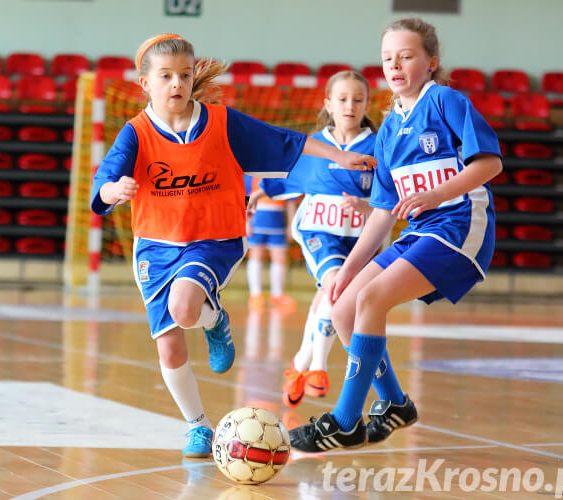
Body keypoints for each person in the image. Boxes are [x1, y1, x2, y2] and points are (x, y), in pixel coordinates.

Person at [90, 33, 376, 458]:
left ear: (192, 79)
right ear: (145, 83)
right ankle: (198, 425)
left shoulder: (222, 122)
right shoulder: (136, 133)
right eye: (165, 76)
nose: (177, 83)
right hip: (154, 245)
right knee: (169, 344)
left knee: (184, 307)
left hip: (213, 238)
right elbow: (103, 182)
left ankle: (214, 319)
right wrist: (114, 190)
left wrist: (338, 156)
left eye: (184, 75)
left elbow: (286, 142)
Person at [289, 18, 503, 452]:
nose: (395, 65)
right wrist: (346, 271)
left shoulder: (445, 101)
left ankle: (345, 423)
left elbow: (490, 164)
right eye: (388, 58)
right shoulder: (388, 129)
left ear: (430, 63)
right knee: (344, 306)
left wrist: (435, 193)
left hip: (460, 223)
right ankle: (395, 404)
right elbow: (383, 213)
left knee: (372, 300)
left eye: (406, 56)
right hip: (422, 230)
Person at [247, 71, 376, 409]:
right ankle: (318, 368)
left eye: (358, 99)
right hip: (318, 230)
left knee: (330, 297)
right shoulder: (316, 144)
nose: (350, 106)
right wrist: (260, 193)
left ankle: (299, 365)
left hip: (359, 236)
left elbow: (388, 194)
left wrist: (366, 204)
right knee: (336, 286)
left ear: (367, 104)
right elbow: (291, 178)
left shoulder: (377, 147)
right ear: (328, 104)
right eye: (342, 99)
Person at [244, 175, 297, 312]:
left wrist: (291, 224)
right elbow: (244, 199)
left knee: (280, 258)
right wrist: (246, 222)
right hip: (257, 221)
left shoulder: (283, 174)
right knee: (256, 255)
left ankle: (277, 295)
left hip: (277, 221)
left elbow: (290, 201)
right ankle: (255, 295)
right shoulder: (251, 175)